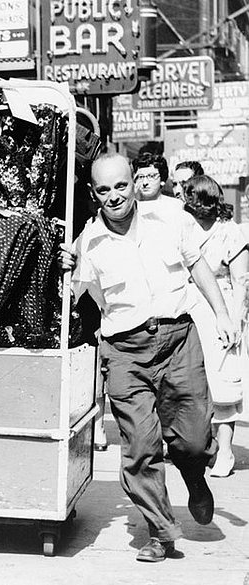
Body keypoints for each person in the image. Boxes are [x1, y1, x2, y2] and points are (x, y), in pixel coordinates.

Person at [59, 153, 236, 563]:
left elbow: (198, 266)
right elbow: (71, 299)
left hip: (178, 339)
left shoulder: (171, 218)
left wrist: (223, 314)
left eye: (121, 186)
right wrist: (63, 269)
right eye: (104, 190)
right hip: (125, 351)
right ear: (93, 194)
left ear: (133, 185)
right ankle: (160, 531)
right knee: (139, 446)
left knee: (192, 439)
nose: (115, 196)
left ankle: (194, 476)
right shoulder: (87, 243)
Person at [182, 175, 248, 478]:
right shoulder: (182, 226)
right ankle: (200, 446)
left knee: (223, 384)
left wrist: (235, 321)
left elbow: (241, 280)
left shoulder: (230, 232)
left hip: (221, 307)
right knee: (191, 383)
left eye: (196, 198)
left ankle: (225, 452)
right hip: (187, 306)